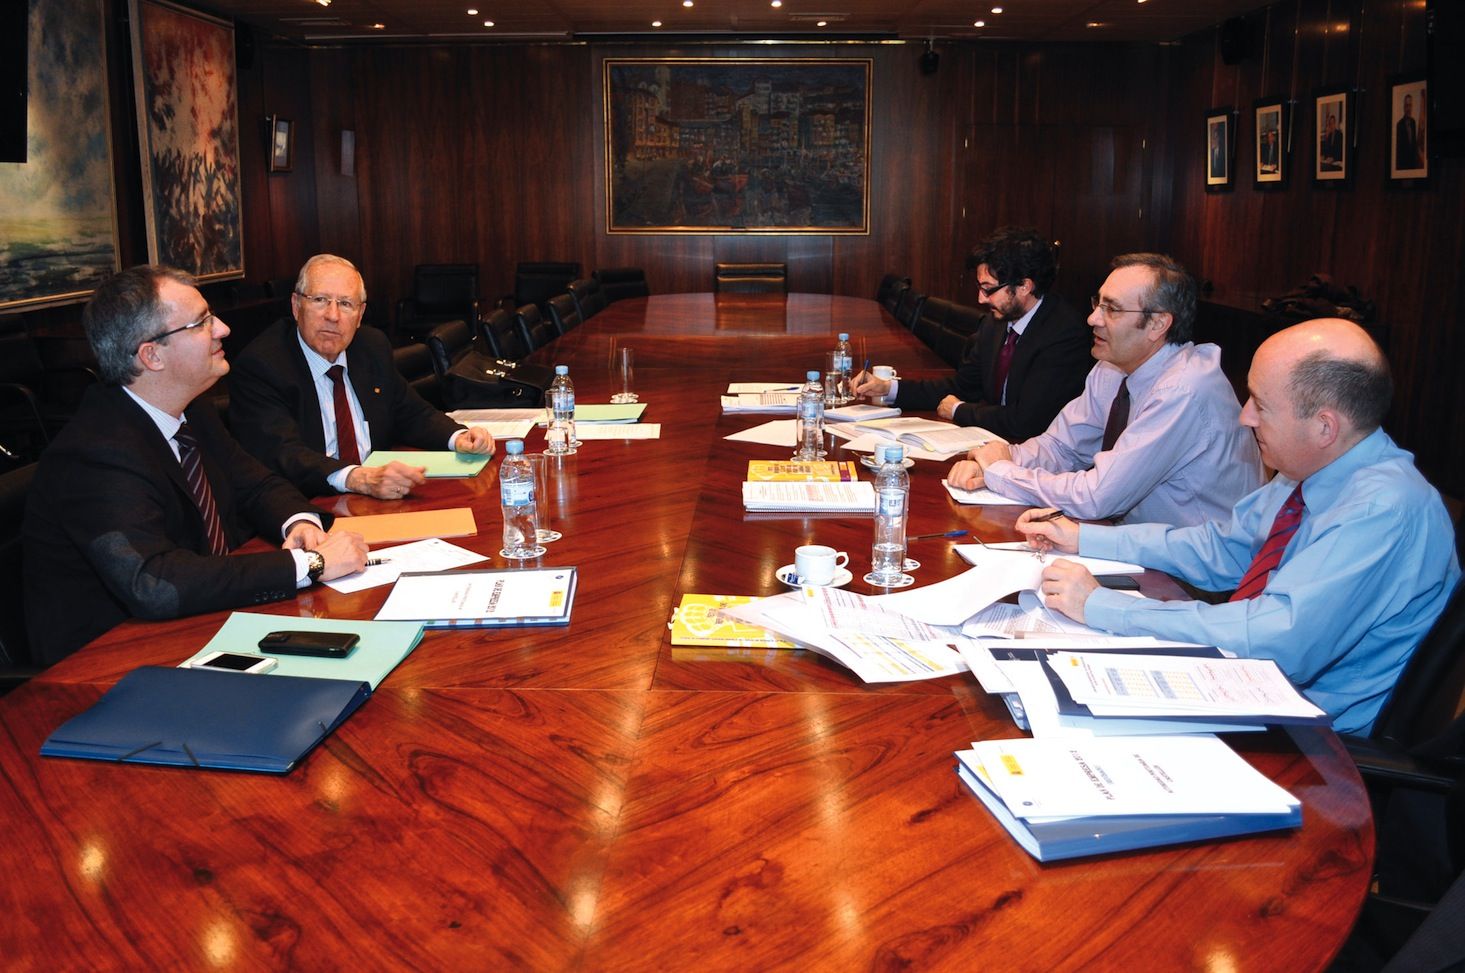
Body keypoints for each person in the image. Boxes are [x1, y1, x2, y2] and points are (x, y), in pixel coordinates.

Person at [1020, 318, 1460, 735]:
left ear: (1325, 426)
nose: (1245, 416)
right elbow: (1223, 548)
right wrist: (1085, 537)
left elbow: (1274, 642)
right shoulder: (1311, 469)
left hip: (1313, 737)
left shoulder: (1382, 510)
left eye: (1261, 405)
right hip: (1258, 685)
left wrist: (1104, 607)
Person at [22, 266, 369, 666]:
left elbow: (257, 485)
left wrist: (300, 524)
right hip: (109, 668)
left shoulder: (191, 412)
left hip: (203, 627)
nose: (222, 328)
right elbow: (155, 582)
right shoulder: (95, 453)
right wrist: (310, 564)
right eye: (201, 322)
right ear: (151, 355)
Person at [948, 253, 1261, 527]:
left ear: (1158, 324)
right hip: (1130, 540)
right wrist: (999, 459)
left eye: (1112, 309)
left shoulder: (1184, 390)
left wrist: (1002, 472)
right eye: (1098, 302)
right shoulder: (1113, 366)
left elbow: (1098, 496)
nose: (1092, 318)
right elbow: (1063, 447)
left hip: (1192, 574)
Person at [229, 254, 494, 499]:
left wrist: (458, 437)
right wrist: (357, 478)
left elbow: (411, 412)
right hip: (310, 505)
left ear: (360, 315)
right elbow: (283, 454)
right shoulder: (263, 366)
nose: (332, 316)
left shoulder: (370, 346)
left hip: (377, 502)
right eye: (320, 300)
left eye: (345, 304)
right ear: (297, 306)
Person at [850, 228, 1090, 442]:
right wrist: (888, 388)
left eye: (988, 289)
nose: (980, 299)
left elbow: (1025, 421)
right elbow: (962, 386)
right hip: (993, 441)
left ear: (1025, 286)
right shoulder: (995, 323)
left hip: (1038, 457)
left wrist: (959, 410)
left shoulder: (1064, 336)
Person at [1396, 93, 1421, 171]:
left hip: (1412, 165)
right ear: (1404, 107)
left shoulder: (1413, 122)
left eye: (1410, 105)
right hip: (1403, 166)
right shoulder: (1399, 125)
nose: (1408, 108)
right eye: (1407, 105)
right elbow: (1399, 151)